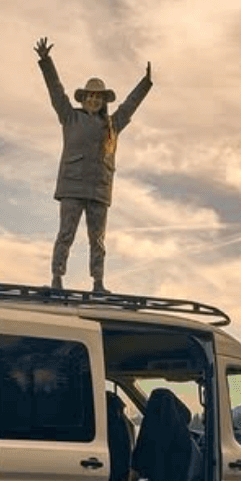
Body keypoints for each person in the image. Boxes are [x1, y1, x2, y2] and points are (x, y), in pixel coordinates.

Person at [35, 38, 151, 292]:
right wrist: (46, 61)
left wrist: (146, 84)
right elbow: (56, 91)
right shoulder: (70, 117)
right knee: (66, 235)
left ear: (103, 101)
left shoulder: (112, 124)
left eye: (98, 97)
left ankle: (98, 283)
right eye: (90, 96)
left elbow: (129, 106)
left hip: (99, 190)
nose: (93, 100)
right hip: (72, 187)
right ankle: (57, 279)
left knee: (97, 241)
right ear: (84, 98)